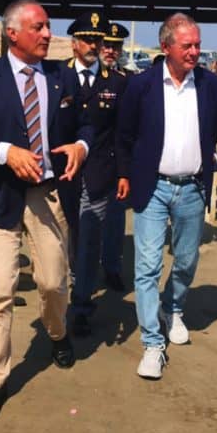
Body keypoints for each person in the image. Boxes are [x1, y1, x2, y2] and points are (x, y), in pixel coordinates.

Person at [0, 0, 92, 420]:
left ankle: (57, 332)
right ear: (12, 33)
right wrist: (5, 152)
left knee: (53, 282)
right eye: (38, 27)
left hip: (46, 194)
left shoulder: (63, 75)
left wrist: (80, 146)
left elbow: (87, 124)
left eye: (48, 26)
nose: (48, 34)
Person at [116, 13, 217, 379]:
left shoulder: (210, 85)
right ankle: (152, 344)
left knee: (186, 260)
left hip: (192, 187)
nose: (194, 52)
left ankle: (173, 308)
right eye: (187, 45)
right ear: (166, 47)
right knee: (147, 266)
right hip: (153, 186)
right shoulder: (141, 85)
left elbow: (212, 131)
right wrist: (125, 174)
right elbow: (124, 135)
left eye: (197, 45)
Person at [61, 11, 128, 337]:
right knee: (62, 241)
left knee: (88, 242)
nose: (94, 45)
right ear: (74, 43)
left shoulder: (116, 82)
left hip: (99, 173)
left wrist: (123, 173)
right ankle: (59, 298)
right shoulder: (57, 76)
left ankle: (81, 306)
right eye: (87, 39)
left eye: (97, 40)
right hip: (60, 174)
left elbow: (122, 134)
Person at [98, 22, 131, 293]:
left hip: (116, 160)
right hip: (86, 159)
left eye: (116, 46)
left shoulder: (127, 79)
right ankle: (79, 272)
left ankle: (112, 268)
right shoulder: (83, 76)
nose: (111, 50)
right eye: (107, 45)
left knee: (115, 220)